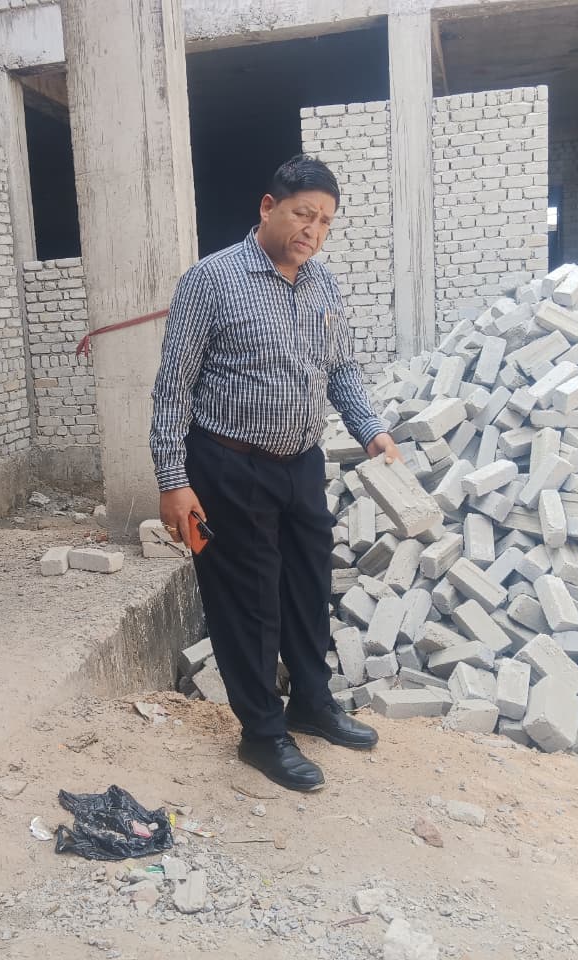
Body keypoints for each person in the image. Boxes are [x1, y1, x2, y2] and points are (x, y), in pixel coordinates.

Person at [149, 154, 403, 792]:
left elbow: (340, 368)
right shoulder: (211, 280)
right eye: (302, 214)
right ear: (268, 208)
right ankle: (262, 733)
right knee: (249, 601)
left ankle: (311, 703)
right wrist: (173, 479)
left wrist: (370, 429)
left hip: (301, 463)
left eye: (325, 221)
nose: (312, 231)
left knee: (307, 589)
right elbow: (173, 386)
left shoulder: (323, 286)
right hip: (228, 466)